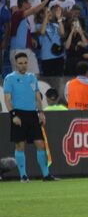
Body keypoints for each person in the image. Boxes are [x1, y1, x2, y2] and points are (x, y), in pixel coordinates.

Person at [3, 52, 56, 182]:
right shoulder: (9, 78)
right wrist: (13, 115)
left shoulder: (32, 77)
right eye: (20, 63)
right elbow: (7, 99)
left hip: (32, 114)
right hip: (18, 114)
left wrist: (41, 112)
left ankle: (46, 175)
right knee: (20, 145)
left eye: (25, 63)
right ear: (16, 64)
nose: (23, 65)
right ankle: (23, 176)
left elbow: (37, 97)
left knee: (40, 144)